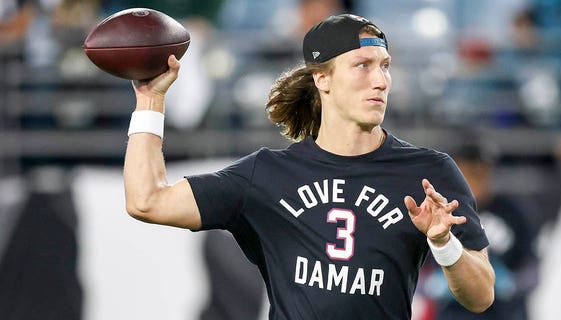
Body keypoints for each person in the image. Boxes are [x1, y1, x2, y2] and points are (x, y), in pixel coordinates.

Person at [123, 14, 495, 319]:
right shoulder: (267, 175)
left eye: (384, 66)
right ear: (322, 78)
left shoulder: (429, 173)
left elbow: (480, 296)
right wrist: (150, 100)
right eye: (362, 66)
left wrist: (443, 243)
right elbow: (147, 200)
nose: (380, 81)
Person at [414, 139, 539, 320]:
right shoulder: (437, 213)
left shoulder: (514, 212)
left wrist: (512, 283)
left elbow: (532, 270)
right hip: (451, 314)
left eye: (481, 172)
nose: (474, 181)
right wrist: (433, 283)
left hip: (504, 314)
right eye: (468, 173)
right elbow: (414, 271)